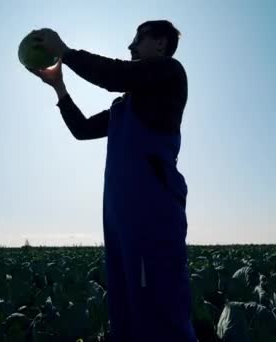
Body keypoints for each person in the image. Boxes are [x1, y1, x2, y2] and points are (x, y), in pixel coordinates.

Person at [27, 20, 197, 342]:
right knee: (126, 308)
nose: (131, 47)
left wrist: (64, 51)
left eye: (138, 39)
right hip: (119, 219)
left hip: (152, 212)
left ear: (160, 44)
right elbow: (81, 130)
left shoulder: (170, 73)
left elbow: (115, 76)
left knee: (161, 309)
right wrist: (59, 87)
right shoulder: (125, 106)